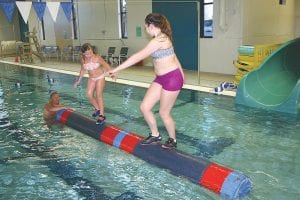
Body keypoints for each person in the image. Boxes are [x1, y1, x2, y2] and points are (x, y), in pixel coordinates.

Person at [109, 13, 185, 149]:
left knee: (164, 113)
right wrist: (183, 74)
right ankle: (155, 135)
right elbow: (174, 56)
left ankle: (173, 140)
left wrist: (116, 69)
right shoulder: (162, 38)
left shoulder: (158, 40)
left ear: (151, 25)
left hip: (172, 79)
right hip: (161, 78)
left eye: (145, 25)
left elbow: (137, 56)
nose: (145, 28)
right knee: (145, 107)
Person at [74, 43, 114, 125]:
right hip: (91, 78)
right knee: (89, 94)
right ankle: (97, 108)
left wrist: (111, 74)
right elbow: (82, 70)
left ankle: (102, 115)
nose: (89, 54)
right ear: (83, 53)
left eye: (90, 52)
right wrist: (78, 80)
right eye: (87, 53)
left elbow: (106, 65)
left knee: (98, 95)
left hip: (100, 77)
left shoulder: (97, 58)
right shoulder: (83, 60)